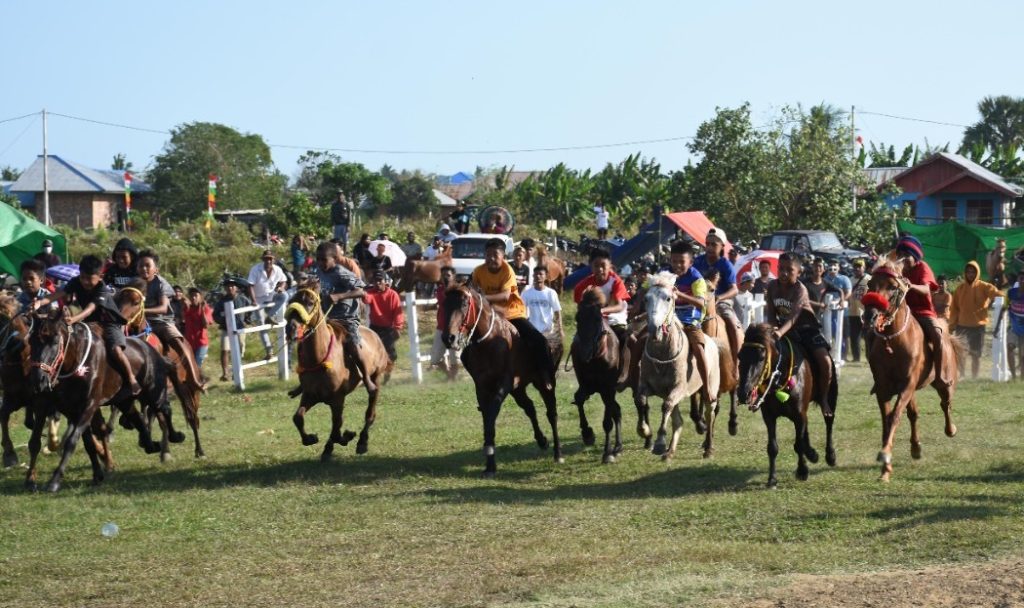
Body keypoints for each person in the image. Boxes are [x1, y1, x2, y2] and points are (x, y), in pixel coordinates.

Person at [32, 255, 139, 396]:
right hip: (89, 323)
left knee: (116, 350)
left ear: (100, 276)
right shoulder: (76, 282)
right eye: (83, 277)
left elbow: (90, 308)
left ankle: (131, 378)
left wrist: (74, 319)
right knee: (68, 338)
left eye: (90, 279)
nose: (85, 282)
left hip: (109, 323)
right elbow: (58, 293)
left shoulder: (102, 289)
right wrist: (40, 302)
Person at [471, 238, 556, 388]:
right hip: (489, 314)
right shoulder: (478, 271)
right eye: (488, 254)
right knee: (468, 344)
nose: (491, 258)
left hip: (511, 313)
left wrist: (481, 298)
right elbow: (470, 288)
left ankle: (545, 374)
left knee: (540, 341)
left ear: (503, 256)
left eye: (495, 254)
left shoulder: (507, 271)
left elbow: (505, 295)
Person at [764, 253, 834, 416]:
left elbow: (794, 316)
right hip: (783, 330)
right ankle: (759, 393)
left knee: (826, 362)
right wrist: (774, 329)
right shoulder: (772, 286)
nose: (784, 273)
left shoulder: (800, 290)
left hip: (806, 329)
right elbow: (771, 313)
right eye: (781, 269)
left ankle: (823, 399)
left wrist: (779, 332)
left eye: (789, 270)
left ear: (799, 272)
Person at [136, 250, 205, 392]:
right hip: (140, 322)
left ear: (156, 269)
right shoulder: (134, 284)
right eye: (141, 265)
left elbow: (162, 308)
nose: (144, 269)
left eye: (148, 265)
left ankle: (194, 378)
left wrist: (141, 311)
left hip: (161, 322)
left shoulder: (161, 283)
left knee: (179, 342)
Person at [314, 241, 377, 392]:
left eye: (324, 259)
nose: (321, 262)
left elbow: (361, 291)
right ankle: (307, 381)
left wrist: (340, 296)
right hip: (327, 317)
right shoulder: (320, 271)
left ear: (334, 259)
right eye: (318, 259)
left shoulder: (341, 273)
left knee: (352, 344)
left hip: (346, 318)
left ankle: (366, 377)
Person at [893, 235, 949, 384]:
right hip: (902, 313)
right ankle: (881, 377)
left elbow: (926, 289)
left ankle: (939, 376)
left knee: (937, 335)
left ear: (915, 257)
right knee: (876, 333)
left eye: (906, 256)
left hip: (923, 313)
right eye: (900, 255)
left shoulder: (923, 267)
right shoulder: (897, 270)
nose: (902, 259)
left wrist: (910, 285)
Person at [669, 241, 712, 403]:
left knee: (699, 347)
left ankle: (706, 387)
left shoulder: (696, 278)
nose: (677, 265)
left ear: (690, 262)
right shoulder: (666, 274)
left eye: (682, 262)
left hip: (690, 320)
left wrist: (680, 294)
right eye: (674, 261)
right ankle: (632, 377)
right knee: (642, 338)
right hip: (668, 318)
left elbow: (701, 303)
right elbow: (647, 287)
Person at [694, 228, 741, 364]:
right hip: (699, 302)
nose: (709, 247)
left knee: (732, 324)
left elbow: (734, 290)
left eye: (714, 244)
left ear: (722, 247)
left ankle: (736, 362)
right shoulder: (697, 262)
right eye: (708, 243)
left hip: (721, 303)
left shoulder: (726, 265)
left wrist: (719, 298)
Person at [949, 260, 1002, 379]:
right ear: (965, 273)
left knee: (976, 355)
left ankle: (974, 377)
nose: (970, 274)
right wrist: (951, 326)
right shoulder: (960, 289)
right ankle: (961, 376)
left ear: (977, 273)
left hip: (979, 327)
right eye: (968, 272)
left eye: (973, 272)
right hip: (962, 326)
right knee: (960, 354)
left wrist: (1000, 300)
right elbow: (954, 309)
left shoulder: (984, 286)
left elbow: (999, 295)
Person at [247, 249, 289, 360]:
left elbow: (284, 280)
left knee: (284, 296)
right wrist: (253, 300)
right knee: (262, 326)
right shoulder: (256, 269)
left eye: (270, 259)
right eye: (266, 259)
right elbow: (250, 285)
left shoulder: (277, 269)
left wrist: (281, 287)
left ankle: (269, 316)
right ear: (263, 260)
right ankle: (269, 351)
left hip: (271, 296)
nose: (268, 261)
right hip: (259, 299)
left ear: (273, 260)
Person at [213, 278, 253, 381]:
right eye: (228, 286)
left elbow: (251, 310)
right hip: (226, 328)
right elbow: (215, 315)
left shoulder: (243, 299)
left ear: (236, 288)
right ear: (225, 288)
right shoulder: (222, 301)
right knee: (225, 349)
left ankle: (236, 371)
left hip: (240, 328)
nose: (230, 288)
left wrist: (247, 320)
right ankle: (225, 373)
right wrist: (223, 321)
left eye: (232, 286)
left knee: (240, 350)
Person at [364, 270, 404, 364]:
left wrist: (397, 328)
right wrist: (364, 291)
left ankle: (388, 370)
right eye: (375, 281)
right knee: (373, 350)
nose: (377, 283)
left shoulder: (393, 294)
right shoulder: (371, 293)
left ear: (385, 281)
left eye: (379, 280)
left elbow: (398, 312)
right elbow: (366, 300)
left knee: (391, 353)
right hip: (374, 327)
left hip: (388, 328)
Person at [431, 265, 460, 379]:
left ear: (453, 276)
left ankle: (452, 378)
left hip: (455, 328)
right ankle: (450, 375)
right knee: (435, 358)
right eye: (443, 276)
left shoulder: (459, 290)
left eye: (448, 275)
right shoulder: (440, 290)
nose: (446, 278)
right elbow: (444, 301)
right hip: (442, 327)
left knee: (455, 358)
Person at [522, 266, 562, 336]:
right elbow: (521, 312)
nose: (538, 276)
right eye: (536, 274)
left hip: (548, 332)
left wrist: (560, 329)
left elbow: (557, 311)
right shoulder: (526, 294)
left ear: (546, 276)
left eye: (541, 274)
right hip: (532, 331)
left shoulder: (551, 293)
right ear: (533, 276)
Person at [846, 259, 870, 363]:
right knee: (854, 336)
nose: (857, 269)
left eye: (859, 267)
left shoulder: (869, 279)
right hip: (853, 312)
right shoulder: (850, 280)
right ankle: (856, 358)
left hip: (865, 312)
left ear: (864, 268)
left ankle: (870, 358)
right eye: (855, 267)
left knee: (868, 336)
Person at [184, 287, 213, 372]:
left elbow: (205, 325)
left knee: (196, 364)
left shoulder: (206, 309)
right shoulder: (187, 308)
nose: (193, 298)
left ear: (200, 297)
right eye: (191, 296)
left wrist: (203, 311)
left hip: (201, 342)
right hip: (189, 342)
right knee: (189, 365)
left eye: (196, 295)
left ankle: (198, 382)